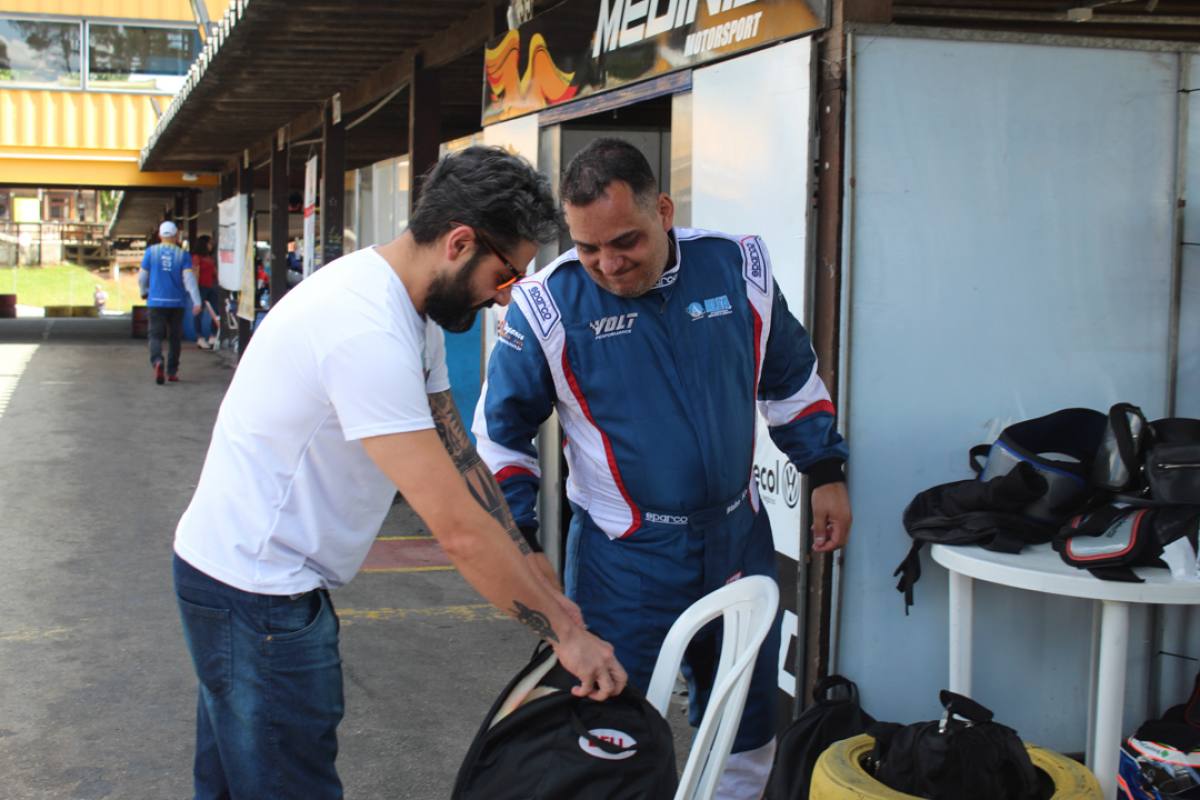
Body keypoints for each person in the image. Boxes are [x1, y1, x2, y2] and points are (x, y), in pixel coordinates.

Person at [172, 146, 626, 800]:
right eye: (504, 277)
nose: (504, 301)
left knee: (233, 784)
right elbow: (456, 529)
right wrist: (564, 635)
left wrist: (531, 562)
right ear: (460, 242)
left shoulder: (409, 308)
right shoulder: (365, 331)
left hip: (241, 578)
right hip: (256, 596)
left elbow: (460, 457)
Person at [473, 137, 853, 799]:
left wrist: (824, 469)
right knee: (606, 736)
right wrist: (522, 541)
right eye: (588, 248)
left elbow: (791, 378)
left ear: (664, 211)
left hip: (738, 538)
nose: (608, 264)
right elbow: (499, 439)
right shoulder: (547, 305)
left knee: (747, 720)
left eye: (626, 242)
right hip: (624, 559)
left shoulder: (738, 267)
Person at [139, 220, 201, 384]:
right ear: (175, 236)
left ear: (159, 235)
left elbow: (142, 277)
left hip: (156, 302)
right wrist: (197, 301)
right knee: (174, 338)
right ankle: (172, 372)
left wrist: (143, 292)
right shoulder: (183, 255)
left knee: (155, 336)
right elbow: (189, 280)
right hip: (177, 303)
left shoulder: (151, 252)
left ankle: (157, 361)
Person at [191, 234, 219, 350]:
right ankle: (200, 337)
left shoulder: (210, 258)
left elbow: (215, 272)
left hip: (211, 286)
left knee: (216, 311)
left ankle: (213, 335)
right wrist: (194, 288)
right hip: (201, 287)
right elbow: (194, 273)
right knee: (199, 313)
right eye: (209, 243)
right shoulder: (196, 257)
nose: (211, 245)